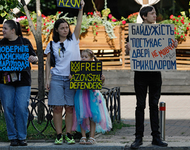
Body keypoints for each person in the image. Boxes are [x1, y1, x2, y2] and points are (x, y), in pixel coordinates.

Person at [125, 6, 178, 149]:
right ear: (144, 16)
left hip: (155, 74)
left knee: (154, 105)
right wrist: (128, 48)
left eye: (155, 13)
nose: (155, 15)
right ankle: (138, 138)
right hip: (140, 75)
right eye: (152, 13)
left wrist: (173, 46)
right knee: (140, 105)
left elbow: (166, 50)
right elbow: (127, 50)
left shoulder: (161, 32)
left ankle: (156, 137)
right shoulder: (135, 32)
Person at [0, 20, 38, 146]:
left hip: (23, 81)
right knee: (8, 108)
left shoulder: (25, 42)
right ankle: (12, 137)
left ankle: (22, 137)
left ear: (13, 30)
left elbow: (34, 58)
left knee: (21, 108)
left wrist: (34, 59)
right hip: (5, 81)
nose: (3, 31)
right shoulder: (0, 44)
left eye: (5, 28)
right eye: (2, 28)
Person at [44, 0, 85, 145]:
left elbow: (79, 25)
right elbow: (48, 63)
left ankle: (69, 134)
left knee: (69, 108)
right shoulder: (51, 44)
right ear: (56, 30)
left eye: (66, 27)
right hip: (56, 78)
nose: (65, 30)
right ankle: (59, 135)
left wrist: (81, 9)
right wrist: (47, 79)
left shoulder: (73, 40)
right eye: (62, 28)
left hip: (71, 78)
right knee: (57, 107)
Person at [72, 49, 112, 145]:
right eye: (82, 57)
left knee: (93, 115)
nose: (83, 58)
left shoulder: (95, 68)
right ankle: (83, 136)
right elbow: (75, 81)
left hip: (92, 94)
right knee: (81, 115)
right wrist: (72, 78)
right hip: (81, 94)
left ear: (91, 59)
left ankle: (92, 136)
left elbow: (99, 82)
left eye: (86, 57)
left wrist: (102, 79)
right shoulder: (78, 68)